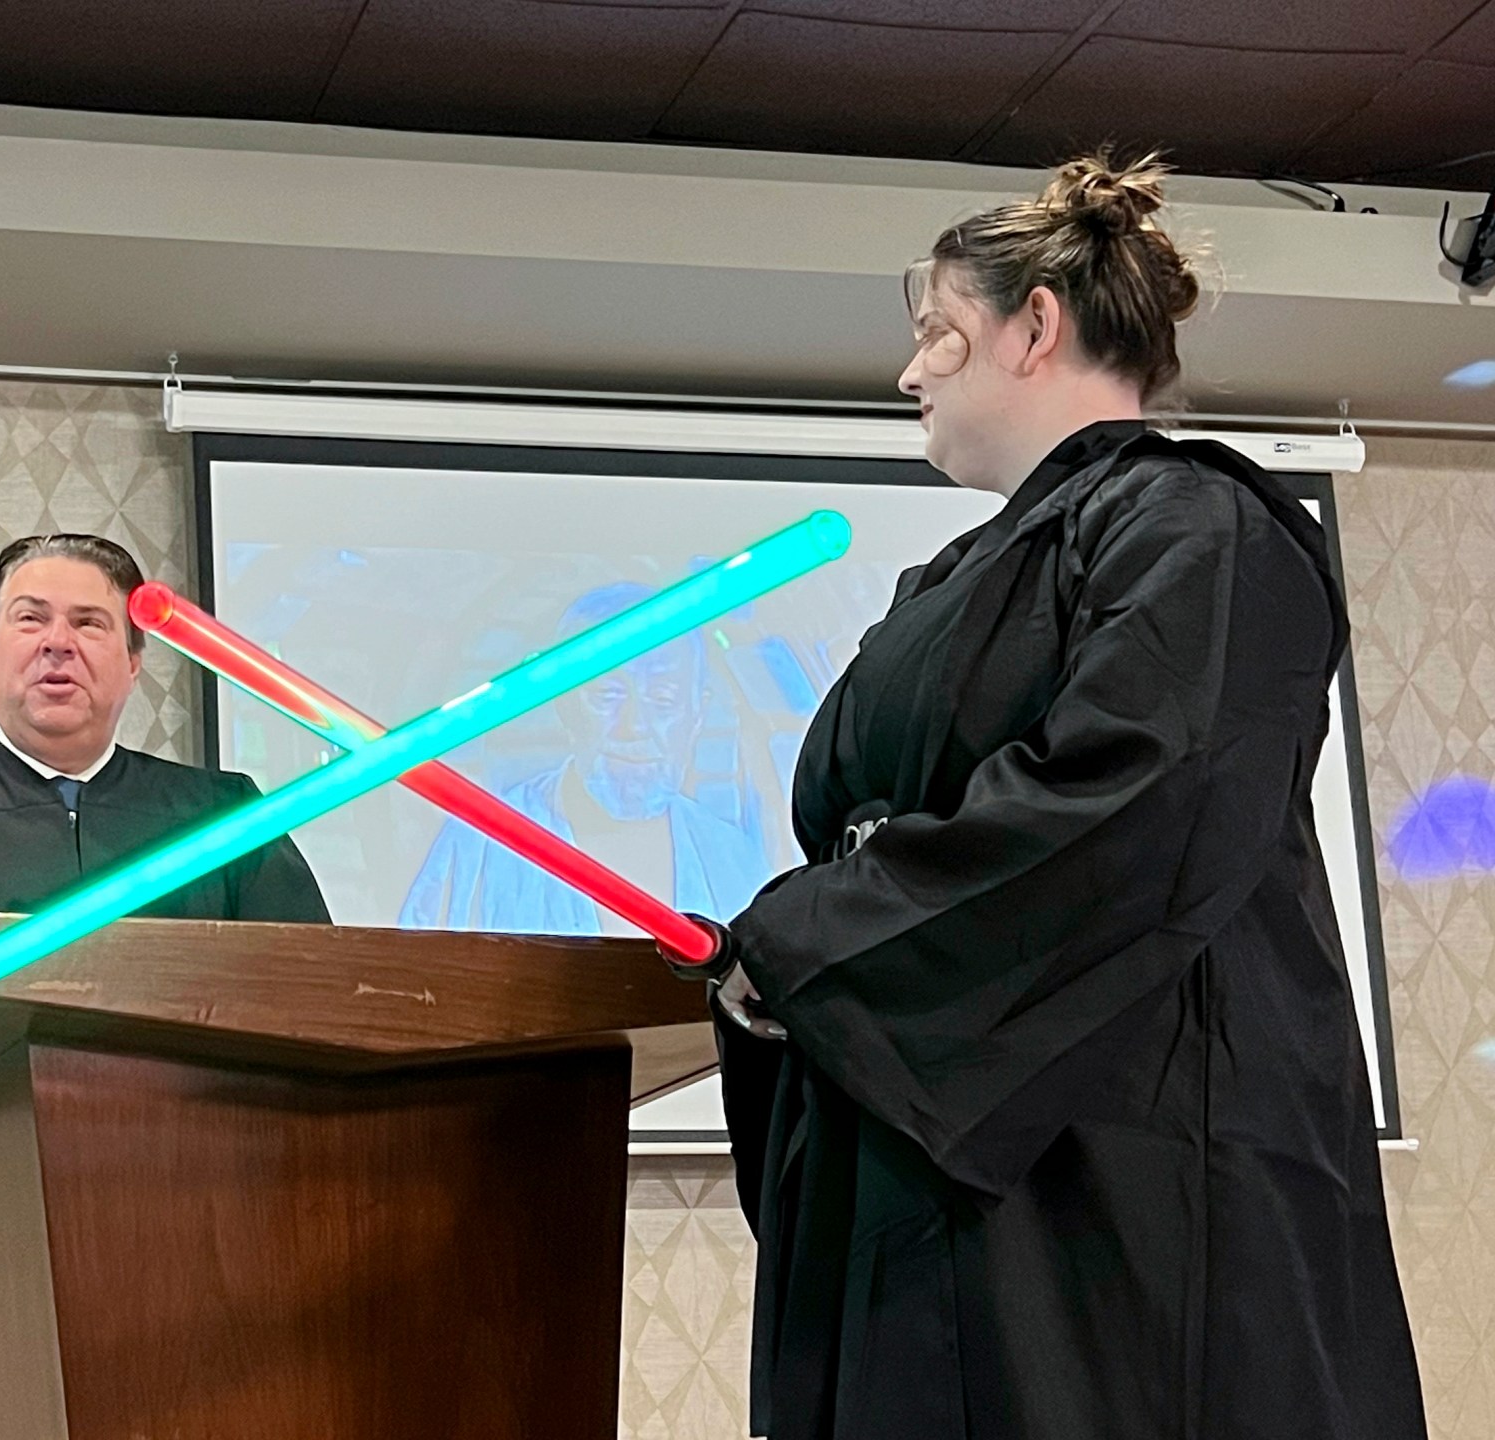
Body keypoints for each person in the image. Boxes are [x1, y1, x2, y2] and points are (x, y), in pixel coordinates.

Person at [681, 155, 1425, 1439]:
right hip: (925, 1144)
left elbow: (1142, 792)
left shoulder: (1197, 523)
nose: (910, 374)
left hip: (1105, 1166)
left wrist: (810, 943)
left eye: (937, 335)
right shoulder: (947, 578)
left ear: (1036, 325)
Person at [0, 532, 330, 1440]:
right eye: (30, 618)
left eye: (90, 622)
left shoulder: (224, 821)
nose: (58, 642)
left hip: (194, 1264)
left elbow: (310, 1019)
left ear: (133, 663)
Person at [402, 582, 770, 934]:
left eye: (664, 699)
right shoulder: (476, 847)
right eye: (607, 694)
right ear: (565, 703)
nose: (635, 725)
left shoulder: (734, 859)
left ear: (698, 714)